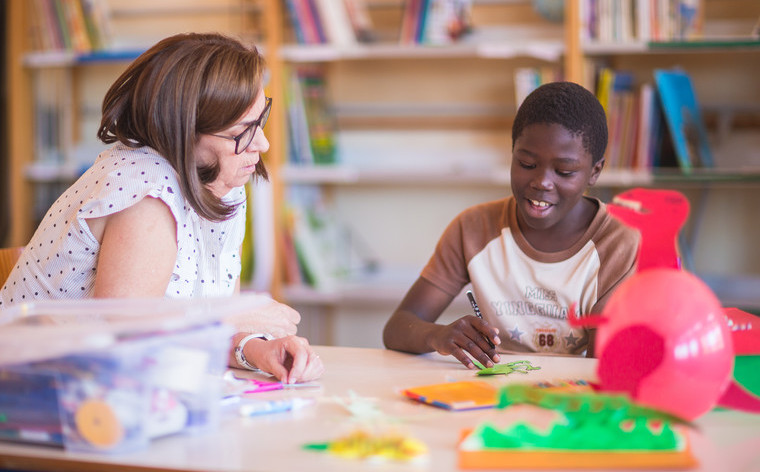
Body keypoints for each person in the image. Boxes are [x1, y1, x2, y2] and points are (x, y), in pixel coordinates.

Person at [0, 33, 323, 384]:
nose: (263, 143)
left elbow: (193, 322)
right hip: (33, 387)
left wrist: (252, 346)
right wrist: (237, 315)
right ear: (184, 131)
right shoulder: (145, 189)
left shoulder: (220, 183)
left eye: (260, 121)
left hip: (98, 392)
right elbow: (126, 333)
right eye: (242, 132)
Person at [383, 81, 640, 368]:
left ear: (595, 172)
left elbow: (602, 368)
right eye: (527, 164)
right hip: (490, 399)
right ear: (513, 154)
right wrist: (439, 335)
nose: (542, 181)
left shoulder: (618, 244)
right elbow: (397, 328)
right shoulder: (473, 228)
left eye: (564, 171)